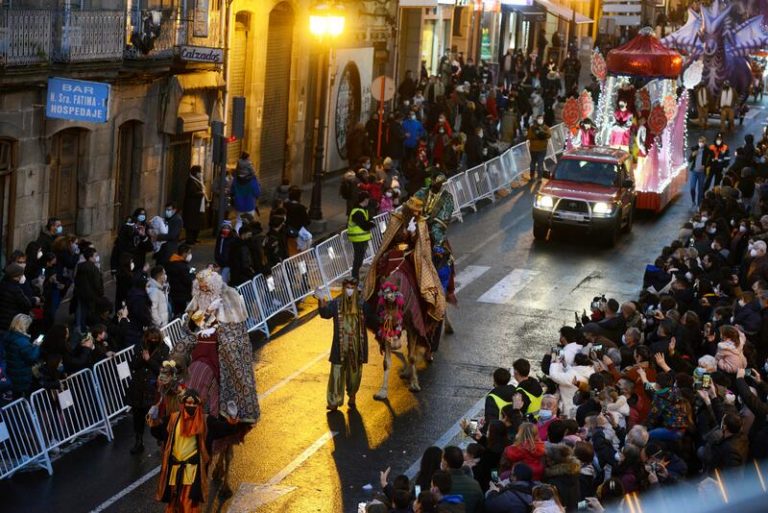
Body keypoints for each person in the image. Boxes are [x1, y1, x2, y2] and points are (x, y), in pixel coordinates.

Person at [155, 388, 240, 513]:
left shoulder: (206, 422)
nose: (191, 406)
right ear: (183, 404)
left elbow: (224, 429)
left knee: (188, 505)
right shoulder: (173, 420)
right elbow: (158, 433)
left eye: (194, 403)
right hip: (174, 471)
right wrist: (153, 421)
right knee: (173, 505)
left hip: (193, 472)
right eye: (188, 403)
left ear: (199, 405)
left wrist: (232, 420)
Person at [318, 277, 370, 411]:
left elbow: (373, 318)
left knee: (354, 375)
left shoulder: (362, 305)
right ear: (343, 288)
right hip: (340, 346)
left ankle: (352, 395)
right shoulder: (336, 304)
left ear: (356, 289)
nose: (350, 291)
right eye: (347, 288)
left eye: (352, 288)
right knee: (336, 373)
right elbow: (325, 313)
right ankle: (333, 401)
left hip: (356, 348)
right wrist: (321, 302)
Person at [3, 314, 41, 398]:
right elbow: (32, 358)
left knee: (16, 397)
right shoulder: (23, 342)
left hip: (12, 372)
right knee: (26, 398)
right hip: (22, 375)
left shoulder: (8, 336)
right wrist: (37, 346)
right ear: (24, 325)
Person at [442, 445, 484, 513]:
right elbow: (480, 506)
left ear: (445, 463)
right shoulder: (475, 485)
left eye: (442, 459)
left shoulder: (440, 483)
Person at [73, 247, 104, 332]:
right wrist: (100, 293)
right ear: (90, 257)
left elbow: (76, 279)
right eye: (95, 256)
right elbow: (97, 284)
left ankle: (80, 327)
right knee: (88, 312)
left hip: (81, 292)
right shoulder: (94, 269)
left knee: (81, 311)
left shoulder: (80, 266)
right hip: (91, 294)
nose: (96, 257)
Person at [230, 156, 262, 232]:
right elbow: (257, 192)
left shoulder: (236, 179)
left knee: (239, 221)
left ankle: (237, 236)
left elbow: (232, 191)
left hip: (239, 204)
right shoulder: (252, 180)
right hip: (250, 203)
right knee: (250, 221)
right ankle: (247, 237)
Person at [348, 191, 374, 281]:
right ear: (365, 199)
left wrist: (370, 223)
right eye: (368, 199)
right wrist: (371, 224)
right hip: (358, 238)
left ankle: (356, 276)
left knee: (359, 258)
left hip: (362, 238)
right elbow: (365, 225)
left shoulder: (363, 210)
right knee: (358, 259)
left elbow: (369, 220)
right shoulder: (357, 211)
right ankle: (355, 277)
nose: (369, 201)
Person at [0, 263, 32, 335]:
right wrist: (33, 300)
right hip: (9, 322)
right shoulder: (15, 289)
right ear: (17, 276)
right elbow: (26, 304)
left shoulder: (2, 284)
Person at [182, 165, 208, 245]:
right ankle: (190, 240)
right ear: (195, 172)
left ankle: (194, 238)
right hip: (192, 207)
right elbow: (191, 192)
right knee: (191, 224)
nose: (201, 173)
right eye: (199, 172)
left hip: (198, 207)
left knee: (197, 223)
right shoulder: (191, 181)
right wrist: (201, 193)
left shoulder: (198, 180)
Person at [166, 244, 194, 318]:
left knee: (176, 313)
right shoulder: (182, 266)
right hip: (182, 295)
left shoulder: (172, 262)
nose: (190, 255)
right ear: (184, 253)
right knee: (182, 315)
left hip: (174, 294)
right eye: (189, 253)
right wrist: (192, 275)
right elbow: (188, 281)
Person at [689, 136, 712, 207]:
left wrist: (705, 166)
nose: (700, 143)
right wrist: (693, 155)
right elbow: (689, 160)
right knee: (692, 187)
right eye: (699, 142)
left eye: (702, 142)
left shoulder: (708, 151)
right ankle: (693, 201)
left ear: (705, 143)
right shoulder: (695, 149)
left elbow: (710, 162)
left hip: (702, 173)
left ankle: (699, 204)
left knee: (700, 190)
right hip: (694, 172)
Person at [528, 114, 551, 181]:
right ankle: (539, 178)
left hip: (533, 149)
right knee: (540, 163)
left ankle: (532, 176)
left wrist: (535, 137)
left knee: (533, 162)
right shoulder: (546, 128)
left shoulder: (532, 128)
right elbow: (549, 135)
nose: (540, 120)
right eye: (540, 119)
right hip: (542, 149)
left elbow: (528, 137)